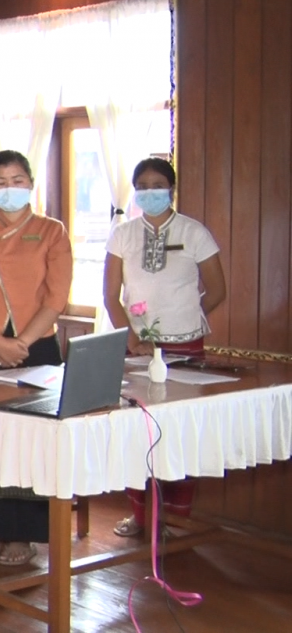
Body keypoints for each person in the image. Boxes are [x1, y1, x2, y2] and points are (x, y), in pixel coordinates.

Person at [0, 150, 72, 567]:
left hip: (36, 345)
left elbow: (57, 296)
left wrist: (20, 342)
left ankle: (24, 534)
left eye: (17, 180)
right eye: (0, 182)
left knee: (29, 440)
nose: (9, 188)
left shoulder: (52, 231)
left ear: (31, 183)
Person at [103, 157, 226, 539]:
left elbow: (217, 290)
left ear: (171, 189)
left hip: (185, 346)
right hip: (137, 348)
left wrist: (185, 317)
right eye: (142, 186)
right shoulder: (123, 234)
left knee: (181, 434)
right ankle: (141, 516)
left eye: (158, 185)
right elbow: (111, 295)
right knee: (136, 432)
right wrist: (132, 338)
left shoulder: (194, 231)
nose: (150, 192)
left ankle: (175, 519)